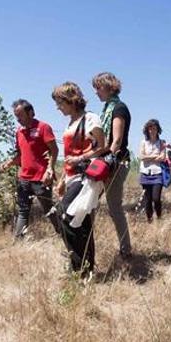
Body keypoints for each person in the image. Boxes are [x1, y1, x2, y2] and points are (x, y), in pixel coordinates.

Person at [52, 82, 107, 276]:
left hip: (87, 176)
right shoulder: (71, 123)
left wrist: (80, 158)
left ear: (71, 100)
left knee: (65, 214)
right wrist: (61, 181)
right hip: (72, 176)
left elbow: (102, 146)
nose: (58, 108)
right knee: (80, 221)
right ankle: (83, 267)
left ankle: (81, 266)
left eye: (60, 103)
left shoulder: (90, 118)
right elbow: (68, 155)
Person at [0, 99, 59, 238]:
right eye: (16, 116)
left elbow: (54, 150)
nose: (18, 119)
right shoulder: (19, 132)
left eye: (20, 115)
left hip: (41, 178)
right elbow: (21, 155)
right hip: (24, 179)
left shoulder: (43, 127)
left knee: (49, 210)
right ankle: (18, 241)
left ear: (30, 113)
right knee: (23, 211)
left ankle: (64, 234)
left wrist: (50, 170)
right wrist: (9, 163)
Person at [92, 72, 132, 259]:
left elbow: (116, 141)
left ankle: (126, 250)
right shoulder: (107, 109)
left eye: (98, 87)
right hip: (103, 160)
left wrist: (107, 161)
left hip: (116, 164)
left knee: (114, 207)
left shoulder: (119, 109)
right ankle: (83, 242)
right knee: (89, 202)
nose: (96, 92)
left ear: (109, 87)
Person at [138, 119, 167, 222]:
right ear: (147, 130)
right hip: (145, 173)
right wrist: (155, 155)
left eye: (154, 128)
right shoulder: (143, 142)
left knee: (156, 198)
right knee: (148, 200)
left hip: (157, 173)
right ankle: (149, 219)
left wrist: (148, 157)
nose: (152, 130)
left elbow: (162, 157)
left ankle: (159, 217)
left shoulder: (162, 142)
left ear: (158, 129)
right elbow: (141, 156)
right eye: (150, 128)